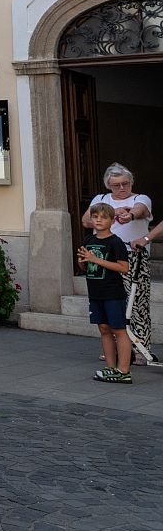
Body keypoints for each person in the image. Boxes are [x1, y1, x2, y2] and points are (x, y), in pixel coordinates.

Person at [85, 163, 154, 366]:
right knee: (110, 303)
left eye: (125, 183)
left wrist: (129, 214)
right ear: (109, 185)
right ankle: (113, 350)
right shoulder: (101, 200)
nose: (121, 188)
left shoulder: (139, 198)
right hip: (103, 256)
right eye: (116, 185)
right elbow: (86, 220)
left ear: (131, 183)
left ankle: (141, 348)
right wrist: (113, 212)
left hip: (133, 257)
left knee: (137, 303)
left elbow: (140, 210)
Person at [81, 203, 134, 383]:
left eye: (103, 217)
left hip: (113, 292)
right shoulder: (89, 240)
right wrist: (83, 261)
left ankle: (124, 370)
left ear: (112, 220)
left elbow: (124, 268)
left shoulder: (115, 242)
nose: (98, 220)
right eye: (95, 216)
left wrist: (95, 259)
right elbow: (85, 265)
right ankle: (111, 367)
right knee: (104, 329)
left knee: (118, 330)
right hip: (95, 292)